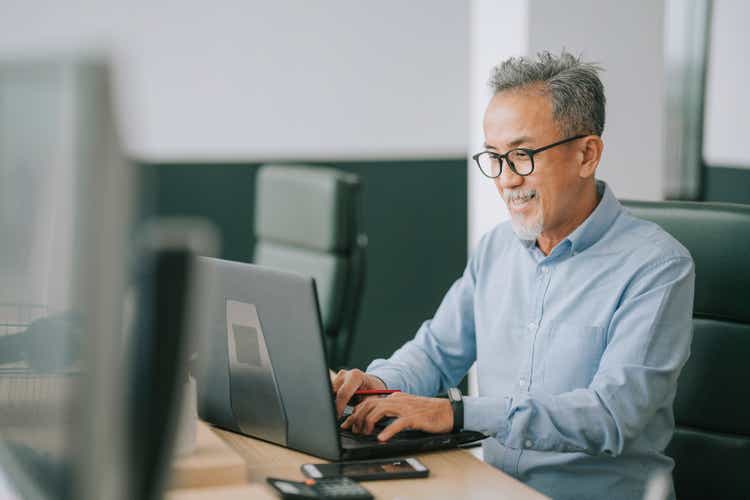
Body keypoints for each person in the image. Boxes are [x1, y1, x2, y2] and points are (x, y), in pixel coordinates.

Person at [332, 51, 695, 500]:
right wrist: (378, 385)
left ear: (587, 154)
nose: (505, 179)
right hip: (493, 489)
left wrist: (457, 413)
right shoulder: (497, 248)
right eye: (494, 157)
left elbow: (611, 415)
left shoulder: (656, 266)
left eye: (522, 155)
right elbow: (435, 353)